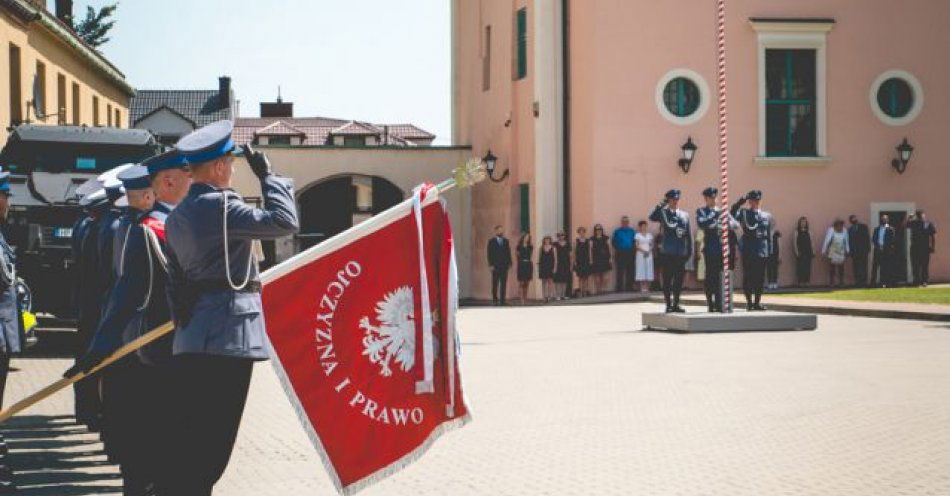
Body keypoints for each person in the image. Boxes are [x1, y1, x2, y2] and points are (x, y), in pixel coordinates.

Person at [162, 120, 299, 495]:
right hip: (228, 338)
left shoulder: (176, 216)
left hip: (192, 337)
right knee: (212, 450)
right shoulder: (222, 207)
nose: (234, 170)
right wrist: (270, 177)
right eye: (232, 164)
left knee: (193, 441)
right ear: (220, 167)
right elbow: (285, 222)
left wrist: (185, 321)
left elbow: (174, 282)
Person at [66, 165, 168, 495]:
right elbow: (124, 285)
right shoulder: (133, 228)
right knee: (136, 423)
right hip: (136, 334)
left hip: (120, 326)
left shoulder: (123, 224)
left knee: (128, 419)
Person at [695, 187, 738, 312]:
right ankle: (710, 303)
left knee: (721, 278)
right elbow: (702, 224)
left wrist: (726, 223)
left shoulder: (723, 211)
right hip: (710, 249)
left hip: (723, 250)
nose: (713, 200)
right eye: (710, 198)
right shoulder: (702, 211)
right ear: (706, 199)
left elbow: (736, 225)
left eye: (714, 198)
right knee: (710, 278)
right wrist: (715, 216)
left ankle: (720, 303)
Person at [649, 189, 691, 313]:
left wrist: (689, 251)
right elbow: (652, 217)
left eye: (677, 199)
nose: (675, 202)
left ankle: (676, 304)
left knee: (678, 281)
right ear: (669, 200)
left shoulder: (684, 215)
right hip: (667, 252)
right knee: (667, 280)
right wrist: (662, 204)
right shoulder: (663, 213)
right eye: (672, 200)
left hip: (680, 253)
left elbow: (688, 235)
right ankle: (668, 304)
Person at [731, 190, 772, 311]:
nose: (756, 203)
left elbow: (768, 235)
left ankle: (757, 302)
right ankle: (749, 303)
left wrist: (769, 251)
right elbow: (732, 215)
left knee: (760, 278)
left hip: (762, 251)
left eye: (758, 200)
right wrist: (739, 203)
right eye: (753, 200)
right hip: (749, 250)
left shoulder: (766, 216)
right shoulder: (744, 213)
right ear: (749, 201)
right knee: (748, 277)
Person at [906, 210, 936, 286]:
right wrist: (909, 217)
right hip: (915, 248)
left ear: (924, 215)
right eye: (918, 215)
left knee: (924, 265)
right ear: (916, 216)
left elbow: (932, 236)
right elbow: (904, 225)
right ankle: (916, 281)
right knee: (915, 265)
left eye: (921, 215)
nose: (920, 216)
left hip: (925, 248)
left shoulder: (928, 224)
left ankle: (924, 281)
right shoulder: (914, 223)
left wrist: (933, 247)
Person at [486, 225, 512, 306]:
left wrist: (510, 262)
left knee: (503, 283)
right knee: (495, 283)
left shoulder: (506, 241)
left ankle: (502, 301)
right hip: (495, 266)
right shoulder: (491, 241)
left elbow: (508, 252)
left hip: (504, 265)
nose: (501, 232)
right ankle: (495, 300)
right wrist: (491, 265)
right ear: (496, 231)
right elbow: (489, 254)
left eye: (502, 230)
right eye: (499, 230)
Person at [822, 219, 850, 287]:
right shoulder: (831, 230)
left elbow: (846, 241)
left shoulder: (844, 230)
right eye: (839, 226)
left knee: (841, 267)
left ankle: (841, 282)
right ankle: (832, 282)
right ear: (835, 226)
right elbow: (827, 240)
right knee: (832, 267)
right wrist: (824, 250)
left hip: (841, 250)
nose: (840, 227)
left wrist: (847, 250)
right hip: (833, 250)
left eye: (841, 225)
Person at [871, 214, 897, 288]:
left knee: (885, 267)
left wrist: (886, 247)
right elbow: (873, 239)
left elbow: (893, 240)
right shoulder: (877, 229)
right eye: (883, 219)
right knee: (875, 267)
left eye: (885, 219)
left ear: (888, 220)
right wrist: (878, 246)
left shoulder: (891, 229)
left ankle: (884, 283)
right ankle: (872, 283)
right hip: (877, 250)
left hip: (886, 251)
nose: (884, 220)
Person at [611, 216, 636, 292]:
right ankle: (619, 288)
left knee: (630, 271)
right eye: (623, 221)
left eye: (626, 221)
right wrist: (618, 248)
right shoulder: (617, 231)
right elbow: (613, 242)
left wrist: (633, 250)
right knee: (620, 271)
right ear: (621, 222)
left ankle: (629, 287)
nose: (625, 223)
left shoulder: (632, 231)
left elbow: (635, 241)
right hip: (620, 253)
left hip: (630, 253)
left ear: (628, 222)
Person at [848, 215, 871, 287]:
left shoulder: (863, 227)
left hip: (863, 250)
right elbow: (850, 241)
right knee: (856, 267)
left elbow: (867, 238)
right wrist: (850, 251)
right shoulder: (850, 229)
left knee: (863, 266)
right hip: (854, 251)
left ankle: (864, 282)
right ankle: (857, 282)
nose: (853, 220)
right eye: (852, 219)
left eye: (854, 219)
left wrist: (868, 248)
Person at [589, 224, 611, 294]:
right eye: (597, 230)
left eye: (600, 229)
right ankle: (598, 290)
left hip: (605, 258)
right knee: (597, 275)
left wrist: (610, 258)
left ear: (602, 230)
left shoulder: (606, 238)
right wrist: (591, 259)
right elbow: (590, 250)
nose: (598, 231)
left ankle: (603, 289)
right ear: (595, 231)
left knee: (605, 276)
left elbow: (609, 248)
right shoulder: (592, 239)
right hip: (596, 258)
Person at [634, 221, 654, 293]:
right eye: (642, 226)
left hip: (649, 253)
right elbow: (637, 245)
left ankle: (647, 287)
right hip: (640, 253)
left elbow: (651, 244)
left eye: (645, 226)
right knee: (641, 268)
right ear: (640, 227)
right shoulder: (637, 235)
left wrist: (649, 251)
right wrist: (644, 251)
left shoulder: (649, 235)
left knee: (648, 268)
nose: (644, 227)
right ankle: (642, 287)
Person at [793, 217, 813, 287]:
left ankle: (807, 281)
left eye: (804, 222)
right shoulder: (796, 232)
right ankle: (800, 282)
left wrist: (813, 251)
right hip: (800, 251)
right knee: (800, 267)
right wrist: (797, 252)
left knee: (807, 267)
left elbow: (812, 241)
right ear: (799, 223)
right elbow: (795, 242)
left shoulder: (809, 231)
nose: (803, 223)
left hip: (808, 251)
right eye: (802, 222)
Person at [515, 232, 533, 305]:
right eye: (526, 237)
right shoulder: (518, 246)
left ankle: (525, 299)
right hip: (521, 264)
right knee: (521, 283)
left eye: (528, 237)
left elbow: (530, 255)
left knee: (526, 283)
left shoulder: (530, 246)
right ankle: (521, 300)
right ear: (523, 237)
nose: (527, 238)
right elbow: (517, 256)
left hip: (528, 264)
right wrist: (519, 264)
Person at [574, 227, 592, 297]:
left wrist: (591, 260)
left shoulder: (588, 241)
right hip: (579, 260)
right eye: (580, 232)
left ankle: (585, 291)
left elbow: (590, 251)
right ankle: (581, 291)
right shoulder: (576, 241)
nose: (581, 233)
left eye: (583, 232)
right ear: (578, 233)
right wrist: (575, 260)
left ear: (584, 232)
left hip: (586, 260)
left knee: (586, 277)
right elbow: (574, 252)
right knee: (580, 277)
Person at [553, 232, 572, 300]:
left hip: (566, 263)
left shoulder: (568, 244)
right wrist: (555, 266)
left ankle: (563, 295)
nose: (561, 236)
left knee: (565, 280)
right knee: (558, 280)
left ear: (564, 236)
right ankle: (558, 295)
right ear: (558, 236)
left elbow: (570, 255)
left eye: (562, 235)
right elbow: (554, 255)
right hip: (558, 263)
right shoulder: (555, 244)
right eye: (560, 235)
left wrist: (570, 265)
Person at [537, 236, 556, 302]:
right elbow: (539, 259)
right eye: (545, 240)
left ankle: (549, 296)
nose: (547, 241)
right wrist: (539, 268)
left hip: (550, 266)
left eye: (548, 240)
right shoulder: (541, 248)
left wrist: (554, 268)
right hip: (543, 266)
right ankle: (544, 297)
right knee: (544, 282)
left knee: (550, 282)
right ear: (544, 241)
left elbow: (555, 259)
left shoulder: (553, 248)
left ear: (550, 241)